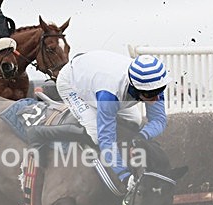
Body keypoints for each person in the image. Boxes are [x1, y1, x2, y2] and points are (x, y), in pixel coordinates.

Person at [56, 50, 170, 192]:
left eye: (159, 91)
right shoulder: (109, 95)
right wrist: (124, 175)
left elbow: (159, 120)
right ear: (136, 88)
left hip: (98, 73)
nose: (156, 98)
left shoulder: (154, 82)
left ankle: (117, 155)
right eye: (150, 95)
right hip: (71, 82)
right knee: (96, 134)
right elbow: (106, 139)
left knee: (135, 120)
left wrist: (140, 138)